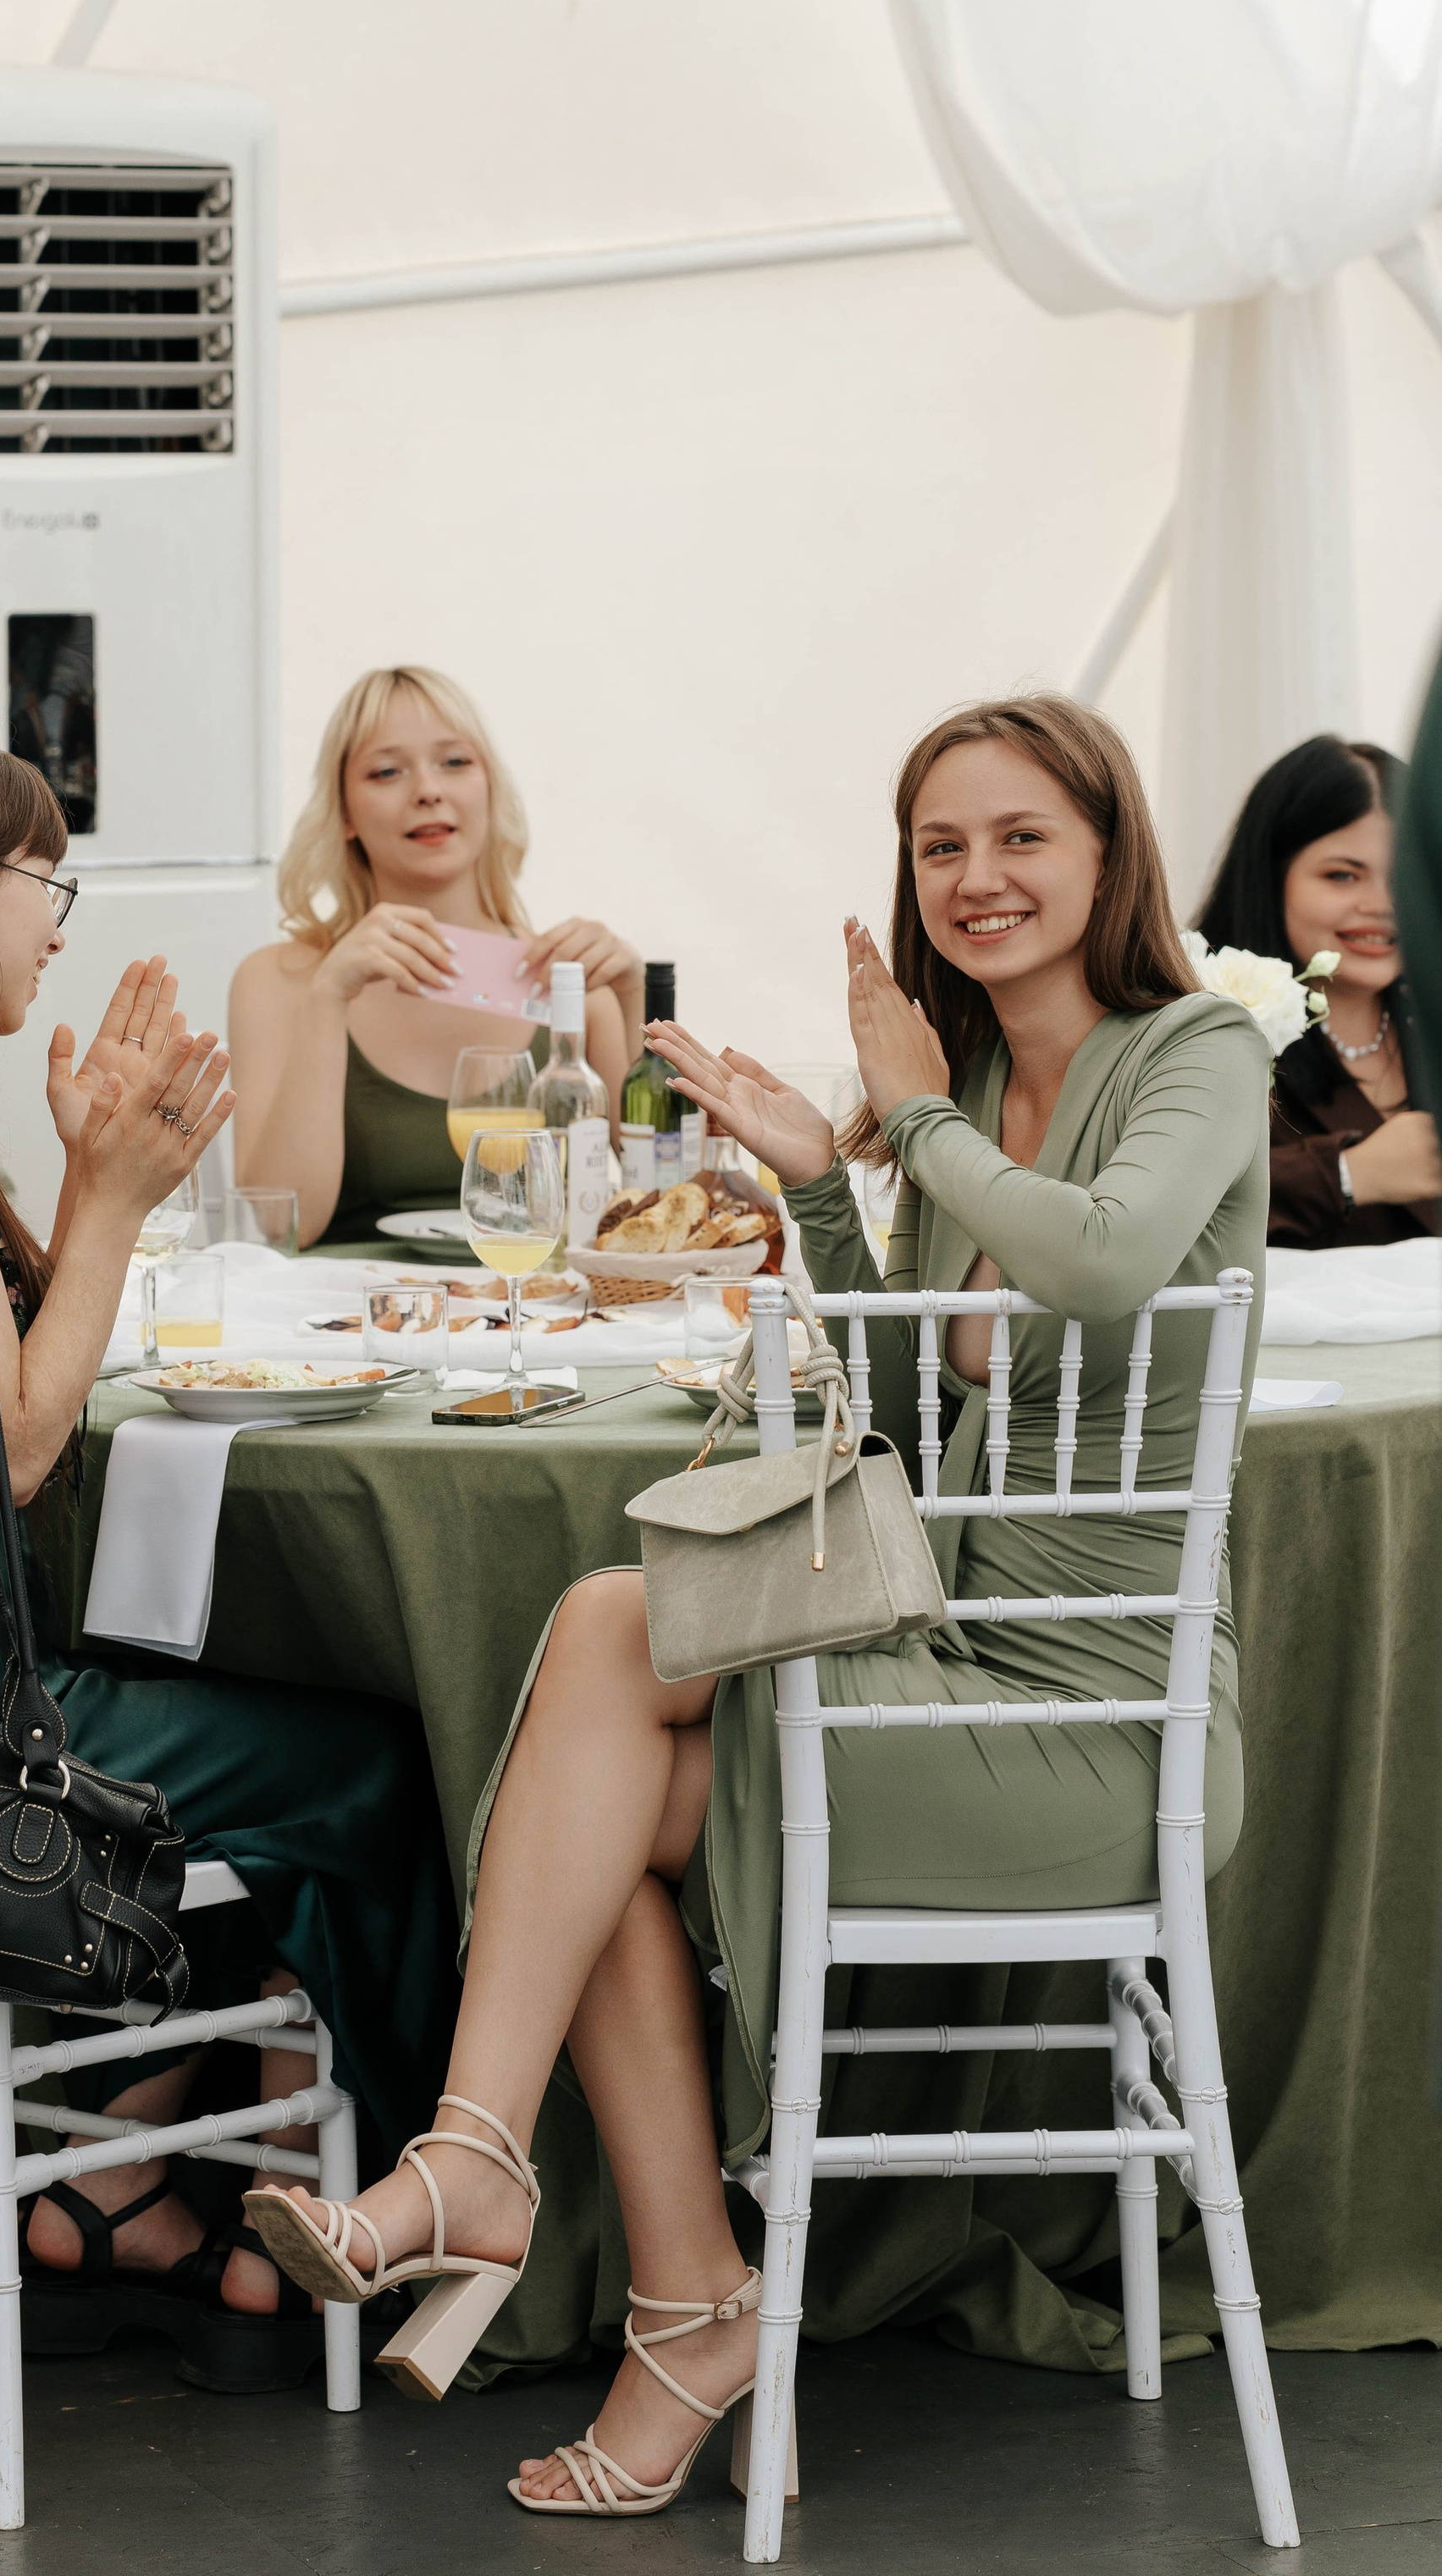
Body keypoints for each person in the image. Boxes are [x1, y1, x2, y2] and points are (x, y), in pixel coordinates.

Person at [245, 692, 1268, 2516]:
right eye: (938, 845)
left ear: (1108, 853)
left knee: (603, 1634)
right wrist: (820, 1181)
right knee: (601, 1753)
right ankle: (670, 2286)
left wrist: (910, 1116)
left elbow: (1103, 1264)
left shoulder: (1191, 1051)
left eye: (1020, 836)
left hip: (1099, 1721)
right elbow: (921, 1406)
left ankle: (497, 2191)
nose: (974, 878)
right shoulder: (956, 1107)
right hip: (947, 1652)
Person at [0, 721, 459, 2375]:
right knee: (376, 1755)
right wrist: (118, 1205)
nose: (57, 924)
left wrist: (77, 1176)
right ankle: (302, 2215)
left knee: (240, 1691)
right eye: (43, 883)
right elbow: (18, 1445)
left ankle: (133, 2160)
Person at [229, 666, 641, 1246]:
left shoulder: (574, 984)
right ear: (344, 813)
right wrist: (330, 996)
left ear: (490, 789)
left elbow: (674, 1209)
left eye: (454, 762)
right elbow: (277, 1230)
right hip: (343, 1323)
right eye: (386, 771)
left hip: (543, 1319)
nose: (427, 790)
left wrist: (633, 1000)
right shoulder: (280, 980)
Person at [1191, 735, 1439, 1246]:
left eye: (1399, 876)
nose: (1381, 903)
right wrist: (1348, 1175)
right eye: (1343, 876)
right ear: (1270, 876)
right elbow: (1151, 1212)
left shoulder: (1429, 1019)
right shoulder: (1196, 1020)